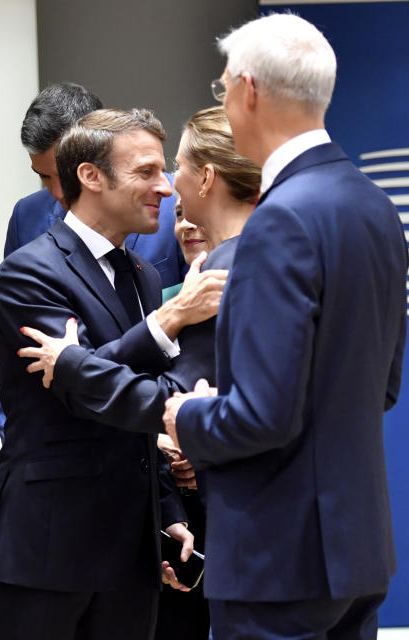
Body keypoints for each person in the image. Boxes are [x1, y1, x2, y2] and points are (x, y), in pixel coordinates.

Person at [162, 14, 407, 640]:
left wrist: (187, 416)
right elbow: (380, 387)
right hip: (356, 552)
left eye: (222, 90)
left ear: (248, 90)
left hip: (278, 559)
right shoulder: (376, 208)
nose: (225, 103)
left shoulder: (279, 222)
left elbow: (263, 416)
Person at [0, 107, 227, 640]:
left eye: (165, 171)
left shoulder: (145, 275)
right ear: (90, 176)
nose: (166, 188)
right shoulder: (29, 272)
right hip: (47, 543)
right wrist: (166, 323)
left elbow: (113, 388)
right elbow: (80, 393)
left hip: (131, 549)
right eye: (147, 172)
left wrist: (166, 509)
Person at [0, 83, 187, 438]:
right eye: (45, 177)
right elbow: (22, 354)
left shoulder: (170, 208)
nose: (58, 191)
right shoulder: (27, 235)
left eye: (63, 170)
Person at [154, 106, 261, 640]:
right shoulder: (283, 256)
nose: (169, 183)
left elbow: (190, 396)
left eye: (176, 165)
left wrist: (77, 365)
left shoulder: (220, 274)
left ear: (206, 177)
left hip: (241, 517)